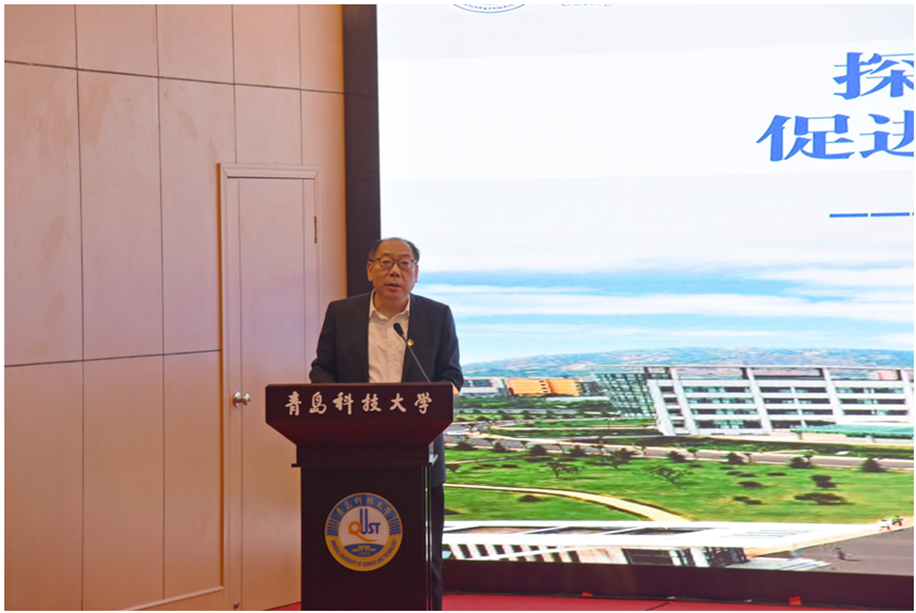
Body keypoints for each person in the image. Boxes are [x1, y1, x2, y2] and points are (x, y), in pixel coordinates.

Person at [309, 237, 462, 610]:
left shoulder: (437, 315)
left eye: (405, 263)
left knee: (424, 551)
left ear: (416, 273)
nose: (395, 271)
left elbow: (451, 376)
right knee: (352, 547)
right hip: (353, 449)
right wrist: (341, 413)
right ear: (369, 269)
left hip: (420, 450)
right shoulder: (342, 313)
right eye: (386, 262)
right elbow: (322, 370)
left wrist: (441, 399)